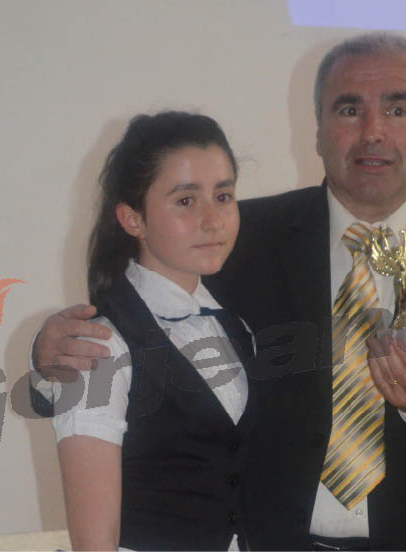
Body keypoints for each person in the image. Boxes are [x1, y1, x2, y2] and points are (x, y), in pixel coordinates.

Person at [32, 34, 406, 550]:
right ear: (318, 130)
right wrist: (51, 361)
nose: (372, 131)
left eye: (397, 110)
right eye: (349, 110)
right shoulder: (234, 240)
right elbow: (142, 343)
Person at [46, 111, 259, 550]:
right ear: (133, 219)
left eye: (223, 196)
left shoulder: (236, 326)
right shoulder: (97, 348)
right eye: (185, 200)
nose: (212, 219)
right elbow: (94, 543)